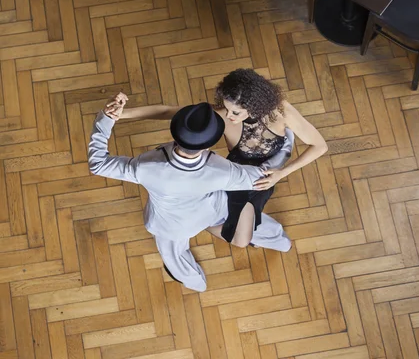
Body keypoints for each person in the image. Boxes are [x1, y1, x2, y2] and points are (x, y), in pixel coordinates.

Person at [89, 94, 292, 292]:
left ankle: (196, 283)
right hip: (212, 208)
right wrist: (286, 144)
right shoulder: (221, 170)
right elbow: (265, 173)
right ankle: (278, 241)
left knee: (174, 256)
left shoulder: (146, 167)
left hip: (172, 225)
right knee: (244, 212)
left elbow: (98, 164)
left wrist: (107, 118)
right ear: (208, 145)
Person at [108, 68, 328, 249]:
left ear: (255, 106)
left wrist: (282, 174)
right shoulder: (223, 113)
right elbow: (168, 111)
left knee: (242, 235)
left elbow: (319, 146)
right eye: (228, 109)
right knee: (241, 240)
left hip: (264, 179)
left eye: (236, 113)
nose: (228, 117)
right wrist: (121, 114)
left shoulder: (281, 112)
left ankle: (207, 221)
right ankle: (203, 223)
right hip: (234, 176)